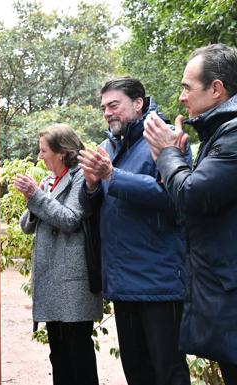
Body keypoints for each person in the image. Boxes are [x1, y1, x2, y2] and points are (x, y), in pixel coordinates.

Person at [77, 77, 191, 385]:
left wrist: (112, 175)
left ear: (138, 103)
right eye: (103, 108)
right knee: (136, 372)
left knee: (168, 372)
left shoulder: (165, 138)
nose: (107, 113)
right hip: (121, 281)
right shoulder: (105, 148)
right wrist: (90, 185)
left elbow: (174, 197)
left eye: (114, 105)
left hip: (159, 281)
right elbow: (90, 207)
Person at [144, 43, 237, 384]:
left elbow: (192, 195)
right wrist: (176, 159)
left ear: (216, 89)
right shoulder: (219, 133)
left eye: (187, 87)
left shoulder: (233, 135)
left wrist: (168, 154)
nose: (182, 97)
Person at [14, 124, 102, 385]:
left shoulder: (80, 177)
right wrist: (36, 195)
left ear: (61, 152)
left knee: (79, 354)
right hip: (53, 281)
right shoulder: (48, 180)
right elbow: (26, 226)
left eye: (43, 151)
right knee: (59, 355)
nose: (40, 156)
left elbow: (70, 219)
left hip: (73, 282)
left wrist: (37, 196)